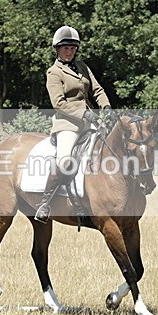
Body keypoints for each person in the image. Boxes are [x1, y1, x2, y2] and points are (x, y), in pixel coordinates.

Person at [34, 25, 111, 223]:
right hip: (67, 124)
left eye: (73, 47)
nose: (70, 51)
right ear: (57, 49)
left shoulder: (83, 67)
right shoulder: (54, 72)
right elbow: (58, 103)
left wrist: (106, 107)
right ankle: (45, 203)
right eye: (65, 47)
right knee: (65, 160)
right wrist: (85, 113)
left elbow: (98, 90)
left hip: (88, 122)